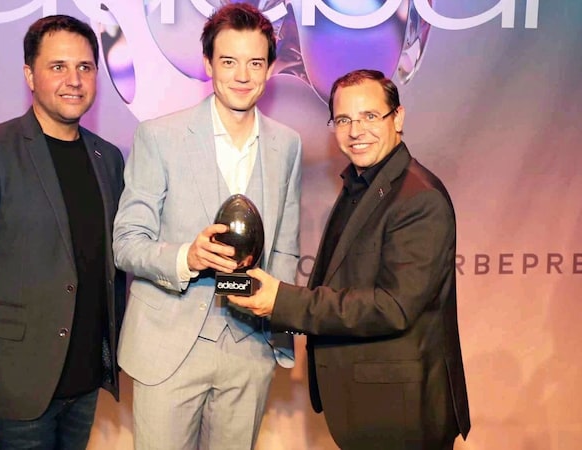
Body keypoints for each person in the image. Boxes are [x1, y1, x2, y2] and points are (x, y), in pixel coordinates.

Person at [228, 69, 471, 449]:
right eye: (344, 119)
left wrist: (283, 301)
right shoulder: (365, 183)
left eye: (370, 116)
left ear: (399, 118)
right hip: (372, 406)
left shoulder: (418, 198)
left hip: (401, 412)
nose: (356, 131)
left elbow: (392, 306)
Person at [112, 3, 301, 449]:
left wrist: (278, 327)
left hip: (249, 348)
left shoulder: (287, 144)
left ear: (271, 68)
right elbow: (126, 242)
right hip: (169, 346)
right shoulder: (159, 137)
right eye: (228, 61)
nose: (241, 75)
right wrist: (186, 256)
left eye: (255, 62)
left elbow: (287, 248)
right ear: (207, 64)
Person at [0, 15, 126, 449]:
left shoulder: (108, 158)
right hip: (14, 393)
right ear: (29, 75)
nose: (74, 80)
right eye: (58, 67)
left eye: (85, 67)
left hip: (85, 384)